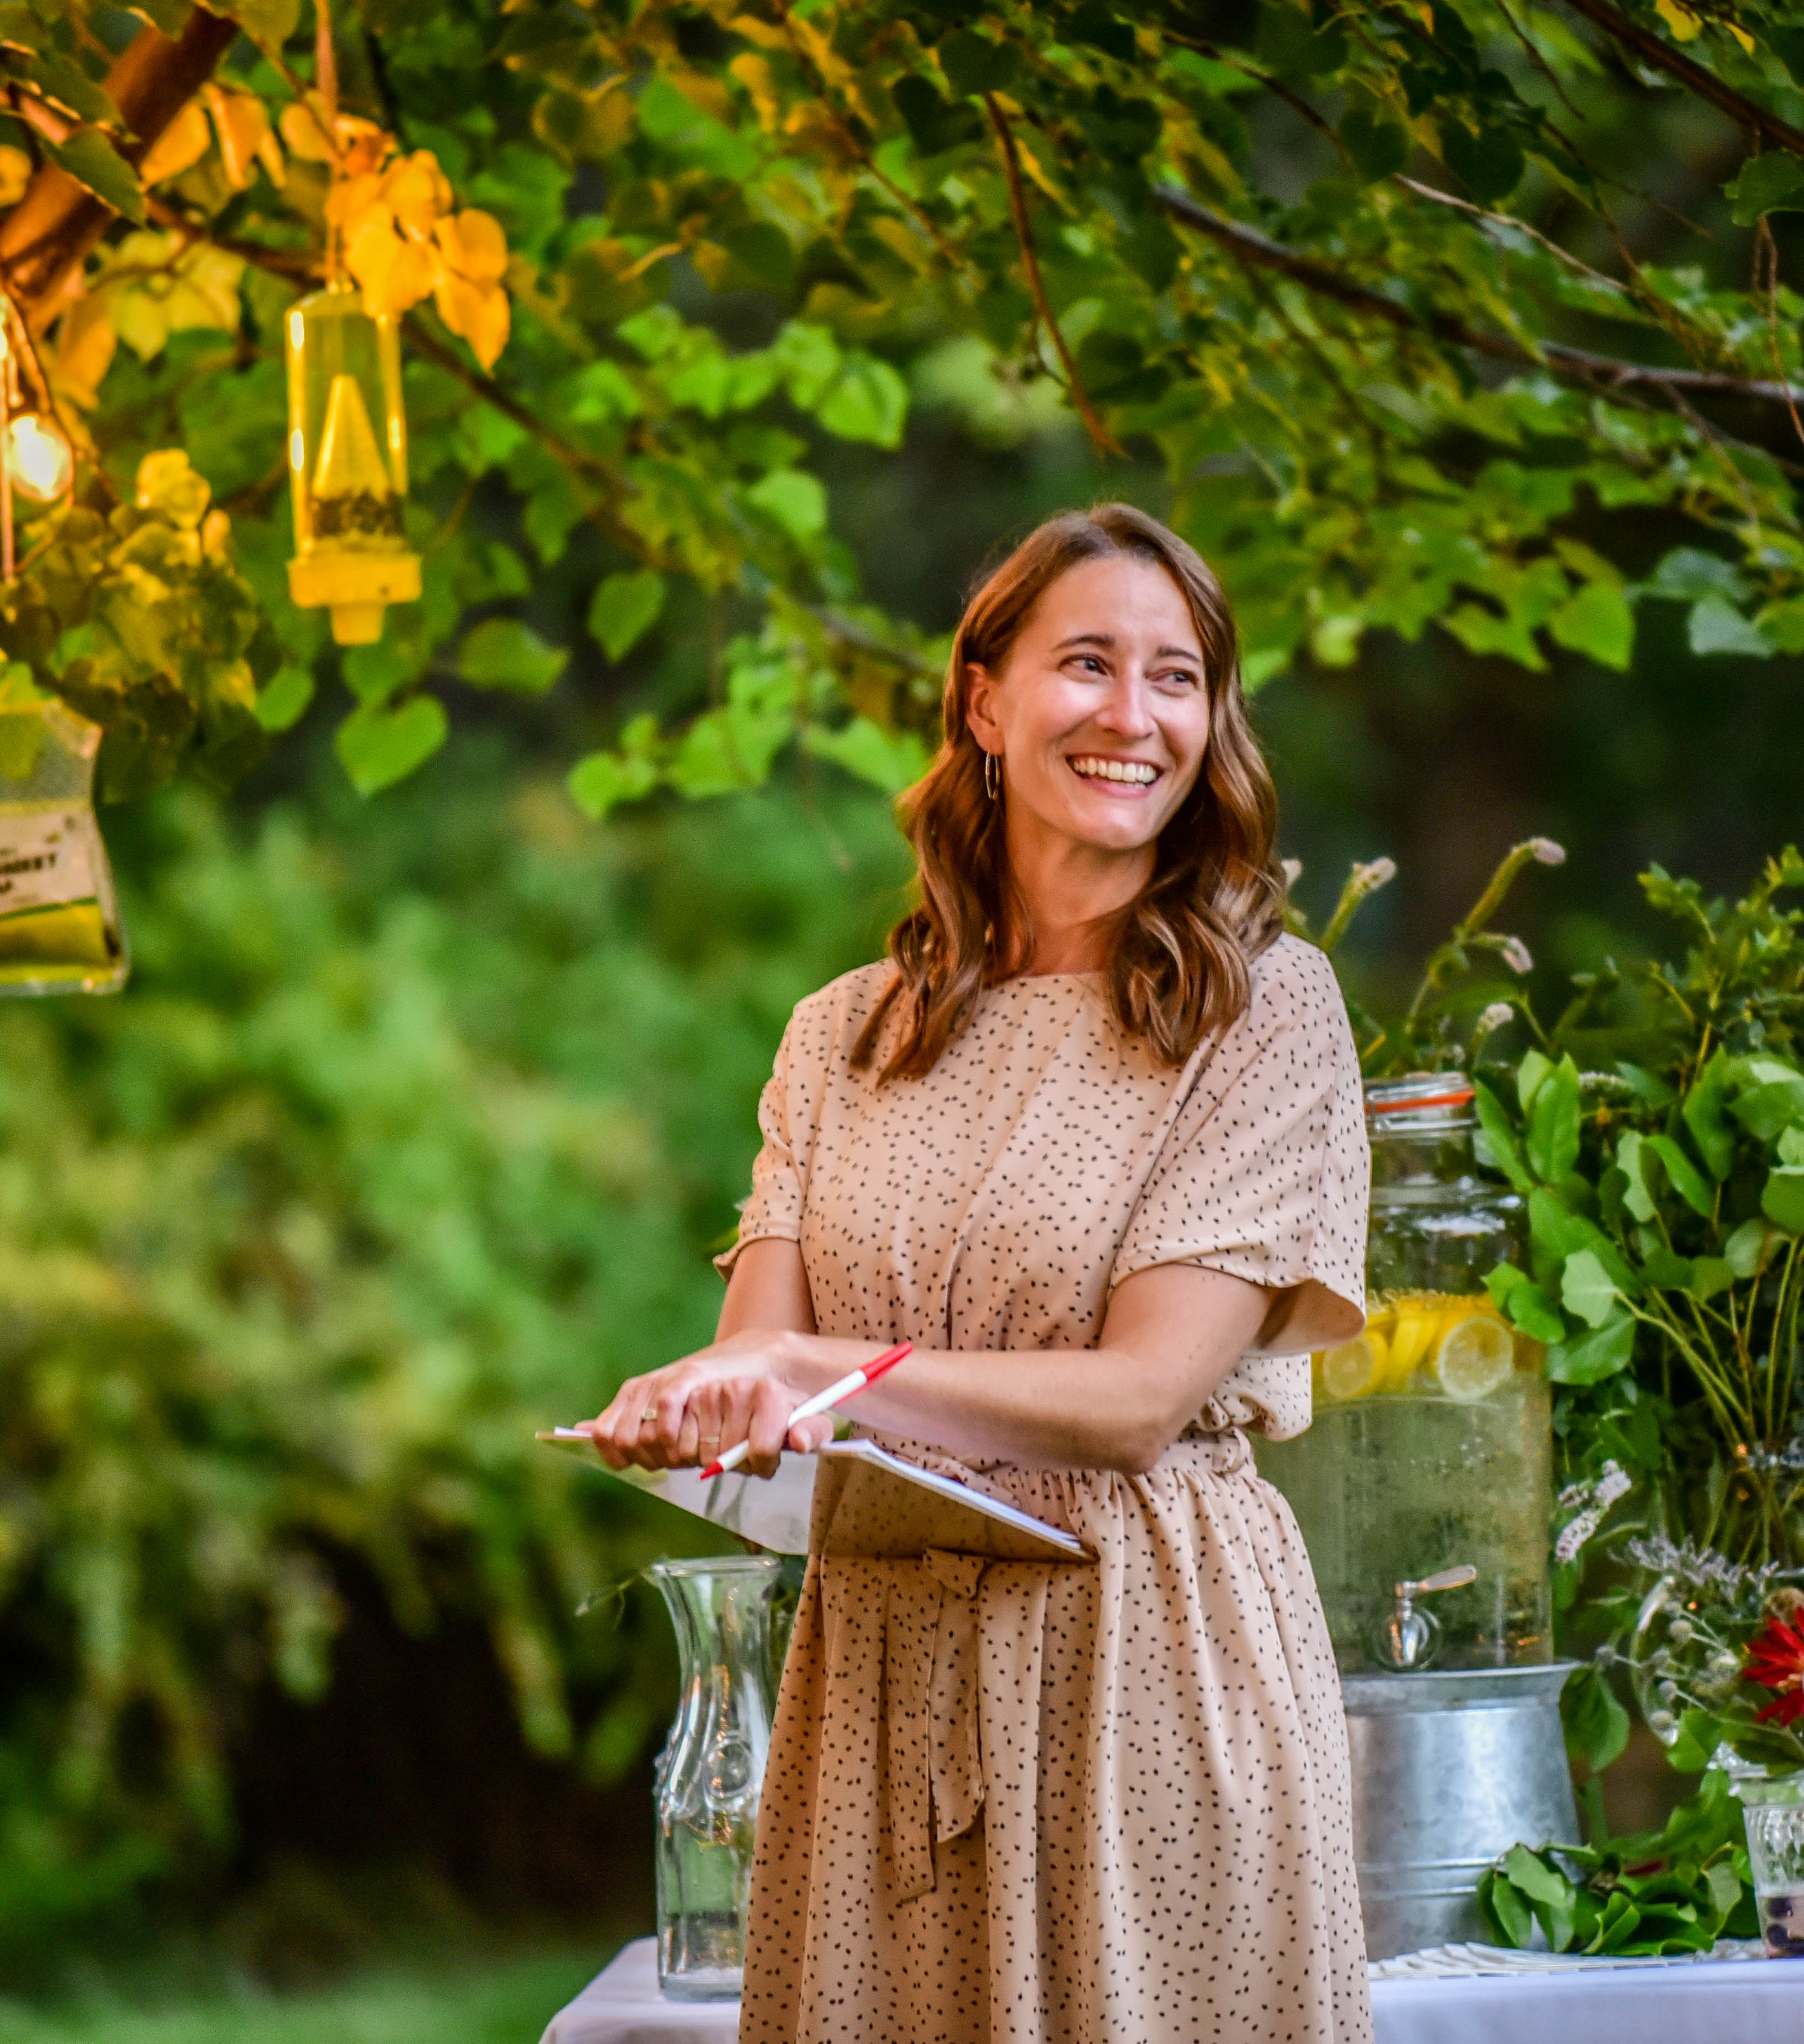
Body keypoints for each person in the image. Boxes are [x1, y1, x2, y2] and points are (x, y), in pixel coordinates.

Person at [588, 504, 1373, 2044]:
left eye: (1177, 678)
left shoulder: (1265, 1010)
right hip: (878, 1676)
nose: (1133, 717)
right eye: (1088, 663)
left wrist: (835, 1375)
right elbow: (763, 1369)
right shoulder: (843, 1034)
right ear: (984, 700)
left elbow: (1147, 1398)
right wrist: (692, 1407)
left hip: (1143, 1666)